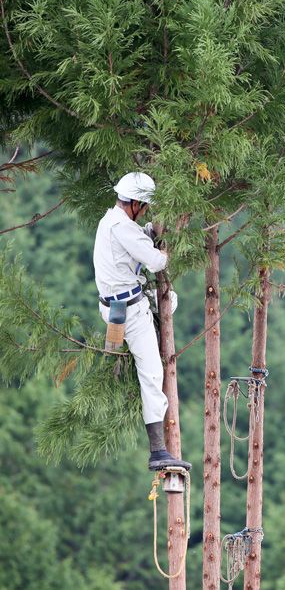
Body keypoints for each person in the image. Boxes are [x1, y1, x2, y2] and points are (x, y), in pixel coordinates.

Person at [93, 172, 191, 471]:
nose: (145, 211)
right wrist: (167, 246)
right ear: (135, 203)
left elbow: (136, 239)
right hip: (130, 311)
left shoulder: (110, 220)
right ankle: (158, 450)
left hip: (115, 305)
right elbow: (157, 262)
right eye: (144, 206)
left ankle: (154, 329)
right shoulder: (123, 228)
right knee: (152, 375)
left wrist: (150, 233)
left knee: (171, 300)